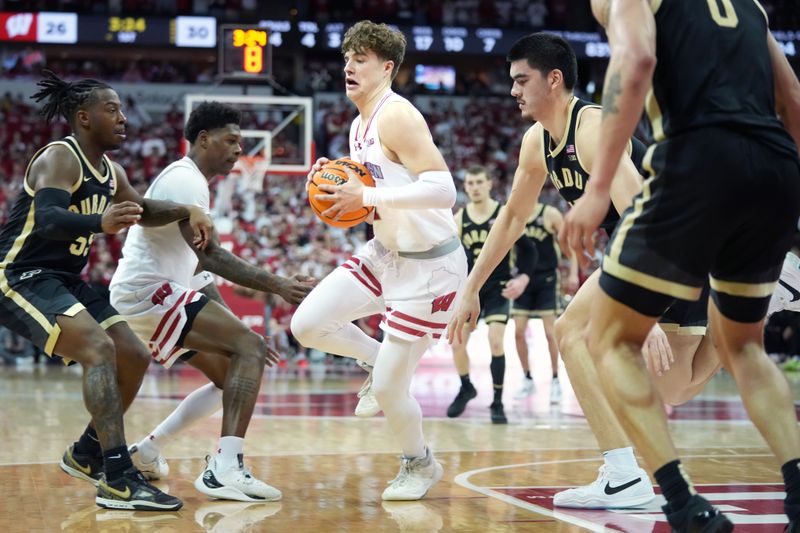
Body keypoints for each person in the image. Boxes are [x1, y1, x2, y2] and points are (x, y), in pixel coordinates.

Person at [446, 32, 722, 511]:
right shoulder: (537, 141)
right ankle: (752, 301)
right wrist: (470, 288)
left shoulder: (593, 129)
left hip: (664, 238)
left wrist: (647, 309)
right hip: (677, 247)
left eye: (521, 80)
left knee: (570, 329)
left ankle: (622, 475)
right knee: (674, 385)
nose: (512, 90)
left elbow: (642, 213)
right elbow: (512, 217)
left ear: (554, 80)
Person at [560, 1, 800, 531]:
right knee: (745, 347)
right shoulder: (751, 4)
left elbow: (638, 58)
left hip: (697, 159)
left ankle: (679, 500)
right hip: (776, 165)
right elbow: (793, 97)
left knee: (606, 339)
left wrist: (597, 187)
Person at [0, 70, 215, 511]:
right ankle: (117, 478)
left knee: (134, 355)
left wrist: (186, 210)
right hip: (20, 275)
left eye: (121, 110)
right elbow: (49, 221)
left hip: (65, 279)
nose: (122, 118)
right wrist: (100, 222)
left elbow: (143, 209)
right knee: (98, 349)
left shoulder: (111, 170)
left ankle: (86, 454)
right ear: (83, 117)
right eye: (111, 110)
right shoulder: (61, 157)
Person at [290, 20, 468, 501]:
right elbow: (376, 196)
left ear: (387, 67)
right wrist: (335, 183)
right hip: (387, 252)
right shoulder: (356, 124)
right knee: (307, 325)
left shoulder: (397, 116)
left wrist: (366, 191)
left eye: (361, 58)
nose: (349, 65)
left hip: (431, 268)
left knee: (391, 391)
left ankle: (420, 463)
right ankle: (373, 362)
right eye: (347, 57)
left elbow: (444, 189)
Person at [109, 101, 314, 502]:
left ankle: (147, 452)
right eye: (231, 140)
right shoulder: (186, 182)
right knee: (248, 349)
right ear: (203, 140)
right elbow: (213, 258)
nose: (239, 149)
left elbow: (200, 277)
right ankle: (225, 469)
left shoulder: (193, 183)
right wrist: (279, 285)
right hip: (147, 292)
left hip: (148, 295)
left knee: (231, 376)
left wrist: (236, 333)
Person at [446, 165, 536, 424]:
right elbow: (452, 258)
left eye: (478, 182)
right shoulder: (459, 219)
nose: (474, 187)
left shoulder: (504, 214)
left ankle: (497, 402)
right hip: (470, 289)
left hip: (498, 286)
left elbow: (529, 250)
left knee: (496, 341)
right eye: (470, 183)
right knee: (456, 342)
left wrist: (523, 277)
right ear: (465, 187)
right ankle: (466, 387)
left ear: (489, 184)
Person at [510, 202, 578, 402]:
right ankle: (527, 378)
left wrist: (573, 273)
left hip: (547, 279)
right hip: (523, 279)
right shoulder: (514, 212)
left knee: (550, 333)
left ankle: (556, 379)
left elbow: (569, 243)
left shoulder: (549, 213)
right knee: (518, 333)